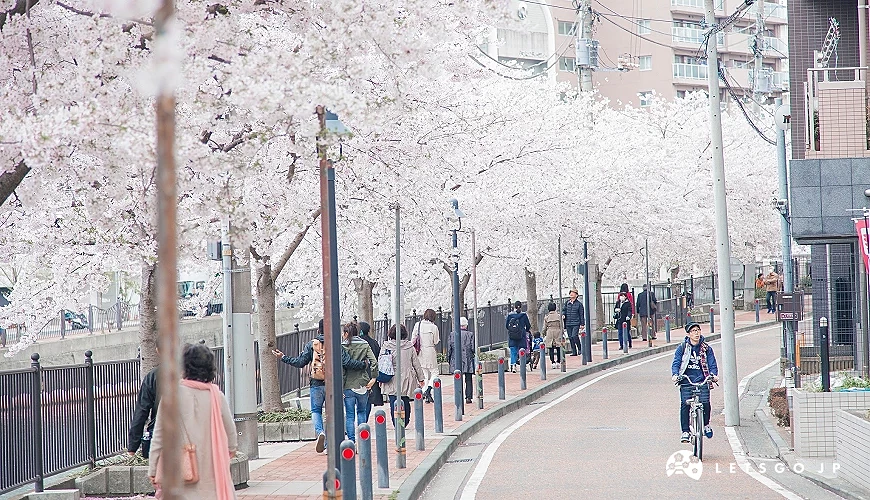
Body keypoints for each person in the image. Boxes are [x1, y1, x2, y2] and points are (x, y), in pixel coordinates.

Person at [149, 343, 237, 499]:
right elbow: (231, 435)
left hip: (180, 474)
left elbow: (159, 436)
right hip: (212, 475)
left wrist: (153, 469)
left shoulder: (172, 396)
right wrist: (228, 450)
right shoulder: (217, 396)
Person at [271, 319, 367, 453]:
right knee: (331, 414)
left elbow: (300, 362)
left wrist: (283, 357)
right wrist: (363, 365)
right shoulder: (335, 345)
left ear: (318, 330)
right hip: (332, 384)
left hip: (316, 383)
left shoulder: (312, 344)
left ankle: (320, 432)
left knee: (316, 411)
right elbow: (347, 362)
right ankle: (329, 444)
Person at [671, 322, 719, 443]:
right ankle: (685, 431)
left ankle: (706, 424)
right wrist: (675, 375)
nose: (696, 333)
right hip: (686, 380)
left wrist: (713, 375)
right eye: (693, 331)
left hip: (703, 380)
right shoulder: (682, 348)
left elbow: (712, 363)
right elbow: (676, 362)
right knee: (685, 405)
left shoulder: (707, 349)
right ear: (688, 334)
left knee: (706, 403)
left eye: (698, 330)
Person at [380, 324, 425, 428]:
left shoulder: (386, 347)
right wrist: (421, 378)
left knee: (393, 401)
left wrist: (380, 377)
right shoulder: (409, 347)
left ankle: (396, 423)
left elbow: (381, 362)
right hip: (407, 377)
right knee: (405, 400)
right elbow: (416, 364)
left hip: (390, 377)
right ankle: (404, 422)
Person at [342, 322, 377, 442]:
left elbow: (341, 367)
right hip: (363, 383)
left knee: (350, 415)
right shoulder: (364, 344)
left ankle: (352, 441)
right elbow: (374, 362)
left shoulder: (342, 346)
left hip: (347, 384)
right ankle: (363, 441)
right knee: (361, 412)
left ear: (346, 333)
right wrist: (373, 377)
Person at [128, 354, 159, 458]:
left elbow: (141, 411)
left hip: (159, 435)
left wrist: (132, 447)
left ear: (158, 351)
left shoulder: (153, 376)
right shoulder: (189, 375)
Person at [412, 309, 440, 403]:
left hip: (420, 351)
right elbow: (436, 341)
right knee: (435, 372)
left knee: (424, 373)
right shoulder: (434, 327)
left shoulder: (417, 325)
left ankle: (425, 393)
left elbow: (413, 339)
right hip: (430, 350)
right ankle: (428, 390)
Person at [448, 317, 475, 404]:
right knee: (468, 378)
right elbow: (473, 348)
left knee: (457, 378)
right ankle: (468, 397)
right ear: (466, 325)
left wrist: (449, 359)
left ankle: (458, 395)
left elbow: (449, 348)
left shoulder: (452, 334)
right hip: (467, 358)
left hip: (456, 358)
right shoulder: (470, 334)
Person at [359, 321, 384, 417]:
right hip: (371, 375)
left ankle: (360, 421)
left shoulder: (356, 343)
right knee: (368, 399)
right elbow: (378, 357)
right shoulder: (373, 343)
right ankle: (364, 419)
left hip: (359, 374)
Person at [505, 301, 531, 373]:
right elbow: (528, 325)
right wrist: (526, 330)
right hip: (521, 335)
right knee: (522, 350)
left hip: (512, 336)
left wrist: (512, 330)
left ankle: (513, 366)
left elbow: (507, 326)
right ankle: (523, 365)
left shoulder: (510, 315)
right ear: (521, 306)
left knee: (513, 351)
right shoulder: (524, 315)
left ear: (514, 307)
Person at [562, 289, 585, 357]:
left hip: (576, 323)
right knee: (570, 337)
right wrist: (563, 314)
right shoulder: (567, 303)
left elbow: (581, 314)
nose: (571, 294)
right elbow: (564, 310)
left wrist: (582, 324)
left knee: (574, 336)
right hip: (568, 323)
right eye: (570, 293)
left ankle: (580, 348)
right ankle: (574, 351)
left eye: (573, 293)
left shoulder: (579, 304)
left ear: (576, 295)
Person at [542, 302, 564, 369]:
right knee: (558, 347)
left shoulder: (547, 317)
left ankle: (553, 362)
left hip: (550, 332)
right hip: (558, 331)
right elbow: (562, 326)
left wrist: (543, 334)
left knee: (550, 348)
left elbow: (544, 328)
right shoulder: (559, 316)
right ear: (555, 308)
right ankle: (558, 361)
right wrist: (562, 332)